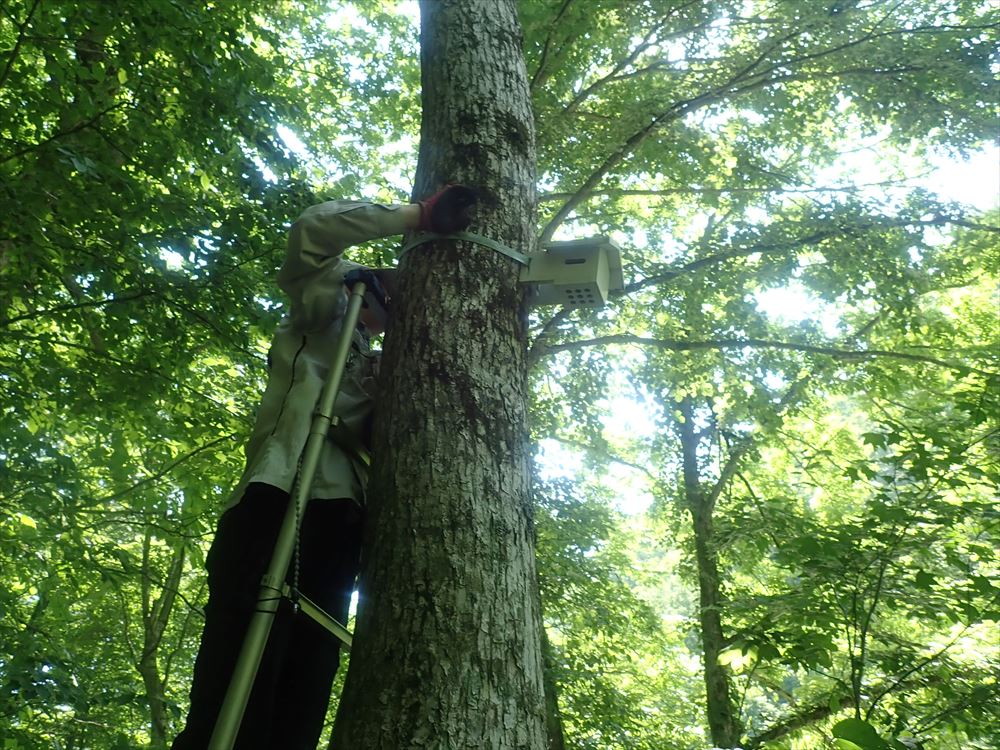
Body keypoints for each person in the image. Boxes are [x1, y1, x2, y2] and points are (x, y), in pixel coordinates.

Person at [171, 186, 478, 750]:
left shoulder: (383, 365)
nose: (387, 314)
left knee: (306, 681)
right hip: (278, 490)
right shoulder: (324, 303)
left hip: (342, 514)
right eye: (386, 296)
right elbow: (314, 229)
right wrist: (420, 217)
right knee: (236, 667)